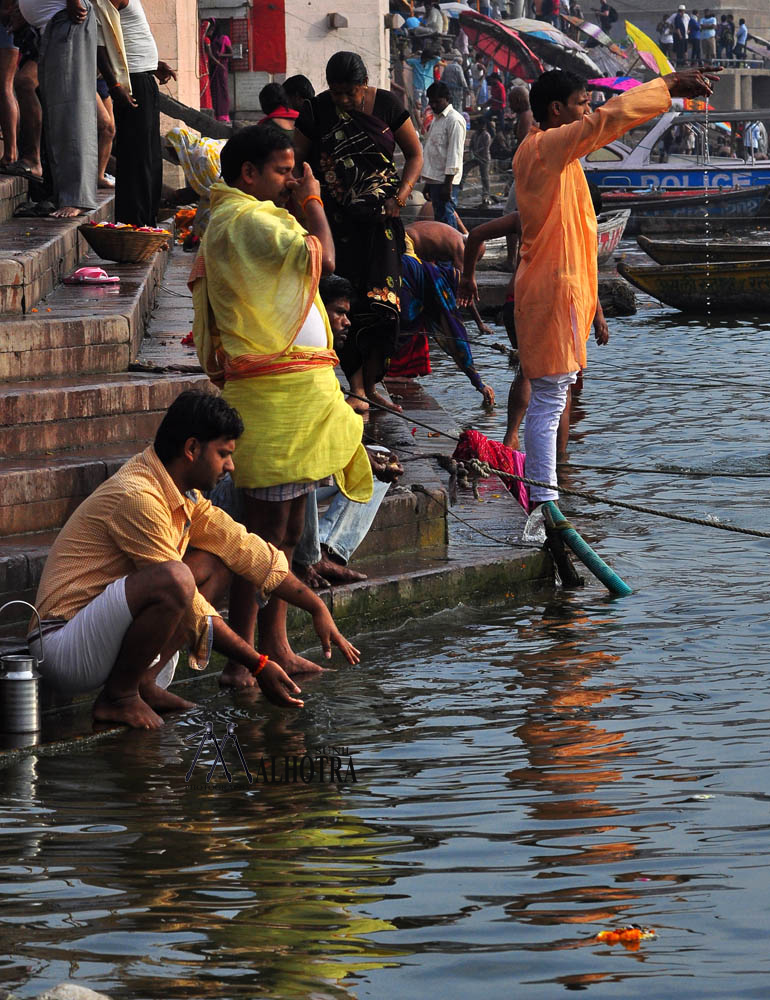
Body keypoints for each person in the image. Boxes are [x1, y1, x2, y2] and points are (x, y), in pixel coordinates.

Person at [29, 391, 361, 730]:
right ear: (191, 449)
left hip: (98, 635)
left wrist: (316, 608)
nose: (230, 466)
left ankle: (144, 683)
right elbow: (190, 605)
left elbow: (246, 548)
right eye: (223, 454)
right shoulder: (138, 497)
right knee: (175, 579)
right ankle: (118, 697)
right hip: (62, 646)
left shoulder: (182, 494)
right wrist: (258, 664)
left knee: (216, 562)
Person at [190, 124, 373, 680]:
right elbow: (325, 254)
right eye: (283, 170)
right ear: (249, 173)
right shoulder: (244, 218)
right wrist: (313, 201)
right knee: (261, 543)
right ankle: (245, 659)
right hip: (272, 401)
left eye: (295, 171)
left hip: (296, 397)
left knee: (288, 536)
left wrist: (295, 199)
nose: (292, 179)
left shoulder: (251, 216)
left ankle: (276, 643)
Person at [495, 66, 718, 515]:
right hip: (552, 287)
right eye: (580, 104)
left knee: (555, 394)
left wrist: (595, 306)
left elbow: (580, 236)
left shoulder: (561, 158)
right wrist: (666, 86)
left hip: (565, 289)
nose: (587, 111)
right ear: (556, 110)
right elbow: (606, 122)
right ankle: (546, 505)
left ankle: (548, 498)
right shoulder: (543, 148)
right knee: (551, 397)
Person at [294, 51, 423, 414]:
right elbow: (299, 163)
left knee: (384, 306)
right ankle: (356, 386)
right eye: (337, 94)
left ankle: (374, 383)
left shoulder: (386, 104)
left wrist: (400, 196)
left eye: (350, 93)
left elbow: (414, 154)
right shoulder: (317, 112)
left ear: (364, 86)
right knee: (343, 302)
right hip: (335, 225)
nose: (344, 101)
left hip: (382, 221)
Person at [293, 274, 404, 589]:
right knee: (320, 465)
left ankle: (329, 548)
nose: (346, 322)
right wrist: (360, 456)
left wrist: (365, 456)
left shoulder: (326, 360)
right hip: (287, 475)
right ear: (317, 313)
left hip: (313, 467)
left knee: (381, 460)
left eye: (347, 315)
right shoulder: (305, 360)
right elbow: (311, 443)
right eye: (338, 313)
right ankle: (310, 557)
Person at [17, 0, 97, 217]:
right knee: (57, 116)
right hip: (54, 27)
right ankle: (63, 194)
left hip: (67, 20)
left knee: (70, 112)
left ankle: (77, 197)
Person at [99, 0, 176, 227]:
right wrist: (114, 85)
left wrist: (153, 64)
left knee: (151, 156)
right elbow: (100, 43)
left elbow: (131, 34)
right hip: (130, 81)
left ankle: (147, 222)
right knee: (136, 156)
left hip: (144, 76)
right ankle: (134, 223)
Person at [421, 80, 466, 232]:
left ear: (447, 99)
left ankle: (452, 254)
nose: (433, 105)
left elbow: (455, 154)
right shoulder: (436, 120)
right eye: (431, 102)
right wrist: (428, 181)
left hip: (447, 181)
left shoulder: (455, 120)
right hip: (435, 179)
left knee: (447, 221)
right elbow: (433, 151)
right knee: (440, 219)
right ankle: (445, 254)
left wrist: (448, 184)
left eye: (437, 102)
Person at [207, 18, 231, 121]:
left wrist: (221, 55)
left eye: (212, 27)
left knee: (222, 91)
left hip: (221, 67)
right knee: (215, 91)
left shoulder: (224, 38)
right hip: (213, 67)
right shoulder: (210, 40)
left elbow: (231, 53)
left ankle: (224, 114)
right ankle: (216, 114)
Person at [464, 117, 492, 204]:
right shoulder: (475, 134)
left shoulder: (486, 135)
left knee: (485, 177)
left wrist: (476, 153)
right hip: (475, 157)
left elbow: (485, 147)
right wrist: (471, 152)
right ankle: (459, 186)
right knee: (465, 167)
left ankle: (486, 193)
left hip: (484, 158)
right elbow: (471, 145)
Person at [406, 47, 440, 114]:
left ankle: (424, 116)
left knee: (427, 104)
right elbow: (406, 60)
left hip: (428, 87)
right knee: (417, 104)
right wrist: (414, 54)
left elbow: (438, 58)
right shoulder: (415, 62)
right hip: (418, 86)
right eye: (426, 58)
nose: (427, 60)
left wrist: (432, 54)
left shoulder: (431, 62)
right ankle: (418, 117)